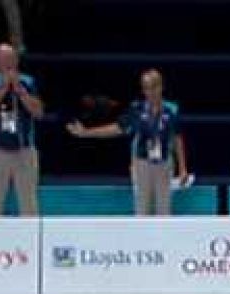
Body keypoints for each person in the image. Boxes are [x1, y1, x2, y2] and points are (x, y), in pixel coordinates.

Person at [67, 69, 190, 217]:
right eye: (146, 88)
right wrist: (86, 132)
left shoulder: (172, 109)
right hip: (142, 162)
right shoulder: (137, 109)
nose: (150, 92)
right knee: (142, 208)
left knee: (164, 210)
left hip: (164, 163)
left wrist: (183, 168)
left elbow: (177, 138)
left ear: (161, 87)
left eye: (153, 87)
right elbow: (118, 128)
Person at [0, 43, 43, 217]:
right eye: (3, 59)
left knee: (29, 204)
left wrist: (21, 92)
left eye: (11, 59)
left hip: (24, 150)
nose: (7, 63)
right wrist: (3, 90)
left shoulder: (28, 81)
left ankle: (29, 241)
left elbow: (38, 112)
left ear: (17, 61)